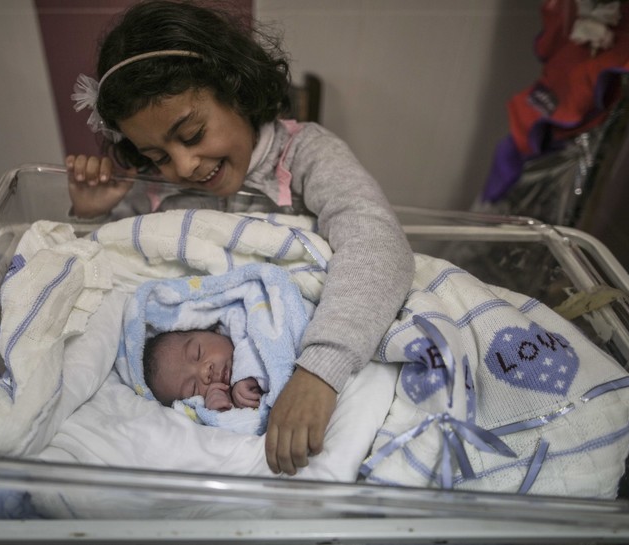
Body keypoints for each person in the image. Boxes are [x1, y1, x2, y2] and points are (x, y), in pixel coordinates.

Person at [66, 0, 415, 475]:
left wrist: (320, 370)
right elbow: (115, 276)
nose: (183, 168)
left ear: (237, 89)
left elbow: (378, 243)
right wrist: (90, 219)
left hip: (322, 355)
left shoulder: (307, 155)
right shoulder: (156, 190)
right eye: (156, 154)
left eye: (191, 134)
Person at [142, 329, 263, 411]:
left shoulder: (240, 321)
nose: (204, 373)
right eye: (193, 388)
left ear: (211, 330)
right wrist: (222, 409)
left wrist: (248, 372)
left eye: (197, 353)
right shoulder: (213, 410)